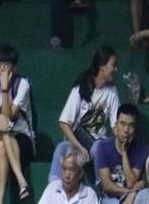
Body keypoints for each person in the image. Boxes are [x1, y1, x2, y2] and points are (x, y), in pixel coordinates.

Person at [50, 45, 120, 181]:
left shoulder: (112, 91)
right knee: (61, 148)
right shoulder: (80, 88)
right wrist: (79, 147)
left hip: (97, 143)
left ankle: (104, 187)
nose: (116, 69)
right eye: (113, 65)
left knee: (99, 148)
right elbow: (64, 123)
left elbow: (115, 125)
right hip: (76, 143)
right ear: (102, 67)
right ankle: (53, 190)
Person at [0, 44, 35, 204]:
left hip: (23, 138)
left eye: (6, 65)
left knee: (2, 147)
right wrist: (3, 88)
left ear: (14, 67)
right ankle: (22, 182)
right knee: (3, 131)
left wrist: (5, 89)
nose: (2, 69)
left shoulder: (23, 85)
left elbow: (10, 116)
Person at [93, 104, 147, 204]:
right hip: (110, 200)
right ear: (115, 126)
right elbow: (107, 185)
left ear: (135, 129)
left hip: (131, 200)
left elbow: (130, 181)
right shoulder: (103, 147)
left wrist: (124, 155)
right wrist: (131, 191)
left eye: (131, 126)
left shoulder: (141, 150)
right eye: (122, 124)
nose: (126, 130)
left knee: (133, 203)